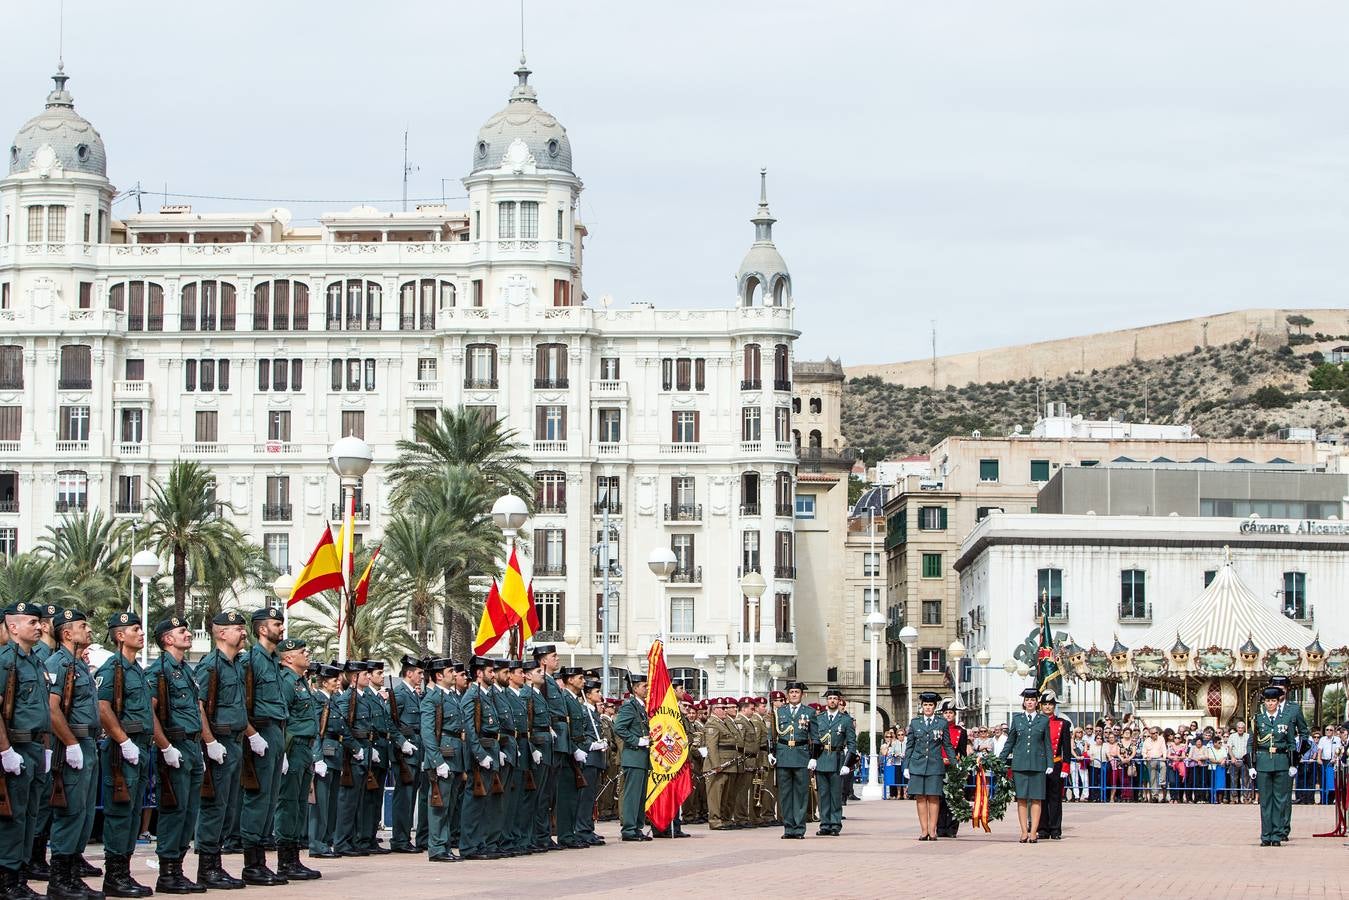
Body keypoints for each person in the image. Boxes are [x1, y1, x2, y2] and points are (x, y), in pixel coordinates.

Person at [44, 607, 104, 899]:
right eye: (83, 626)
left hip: (88, 744)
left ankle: (72, 873)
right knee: (69, 812)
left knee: (83, 812)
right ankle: (59, 879)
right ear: (67, 633)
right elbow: (52, 709)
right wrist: (70, 744)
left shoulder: (79, 665)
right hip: (73, 745)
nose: (88, 630)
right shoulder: (58, 663)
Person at [96, 610, 154, 898]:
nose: (141, 633)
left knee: (132, 813)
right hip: (123, 750)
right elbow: (103, 708)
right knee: (120, 812)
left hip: (140, 748)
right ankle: (114, 877)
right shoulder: (112, 669)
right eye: (135, 629)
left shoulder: (137, 671)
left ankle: (124, 873)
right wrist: (123, 741)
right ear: (120, 636)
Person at [146, 615, 206, 894]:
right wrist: (165, 746)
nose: (188, 634)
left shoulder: (187, 670)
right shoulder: (159, 671)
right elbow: (150, 712)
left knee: (190, 810)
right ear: (167, 638)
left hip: (192, 747)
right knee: (174, 809)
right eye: (182, 631)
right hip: (175, 746)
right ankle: (167, 872)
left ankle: (178, 868)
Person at [0, 602, 54, 898]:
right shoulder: (5, 660)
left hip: (35, 746)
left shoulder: (36, 661)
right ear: (13, 627)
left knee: (31, 816)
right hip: (15, 746)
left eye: (38, 622)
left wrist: (45, 747)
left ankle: (19, 876)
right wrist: (5, 750)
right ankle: (7, 879)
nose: (38, 626)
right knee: (13, 817)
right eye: (31, 622)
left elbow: (43, 711)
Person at [193, 610, 249, 888]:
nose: (243, 632)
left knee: (228, 808)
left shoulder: (236, 664)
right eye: (238, 628)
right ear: (221, 633)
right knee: (214, 807)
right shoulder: (210, 666)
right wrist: (210, 741)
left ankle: (216, 863)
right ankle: (208, 867)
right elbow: (199, 706)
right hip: (219, 743)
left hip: (235, 742)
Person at [273, 638, 321, 880]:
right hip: (293, 748)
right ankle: (285, 861)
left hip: (305, 748)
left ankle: (294, 858)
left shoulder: (301, 681)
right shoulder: (286, 682)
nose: (308, 654)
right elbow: (282, 719)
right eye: (303, 651)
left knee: (300, 804)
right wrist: (282, 752)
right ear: (288, 657)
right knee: (288, 804)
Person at [460, 656, 503, 860]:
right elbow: (470, 730)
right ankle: (469, 846)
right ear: (479, 673)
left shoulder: (487, 695)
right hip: (480, 756)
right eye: (490, 671)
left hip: (491, 751)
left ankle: (480, 842)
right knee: (474, 803)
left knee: (484, 803)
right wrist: (480, 755)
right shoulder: (472, 696)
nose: (493, 674)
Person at [420, 657, 462, 862]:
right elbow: (428, 733)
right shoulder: (432, 698)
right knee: (438, 804)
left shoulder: (452, 696)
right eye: (450, 671)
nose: (454, 674)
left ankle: (445, 845)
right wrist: (437, 761)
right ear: (439, 675)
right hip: (442, 757)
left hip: (454, 756)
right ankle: (436, 847)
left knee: (450, 805)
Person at [1000, 687, 1052, 844]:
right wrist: (1000, 759)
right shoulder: (1017, 719)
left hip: (1038, 764)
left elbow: (1047, 744)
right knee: (1022, 799)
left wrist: (1050, 763)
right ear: (1024, 702)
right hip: (1020, 764)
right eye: (1027, 700)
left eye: (1032, 700)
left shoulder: (1043, 720)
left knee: (1036, 799)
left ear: (1037, 703)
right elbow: (1010, 742)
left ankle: (1034, 832)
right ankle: (1023, 831)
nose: (1030, 703)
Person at [1253, 685, 1300, 846]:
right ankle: (1266, 835)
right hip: (1264, 762)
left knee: (1280, 800)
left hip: (1281, 761)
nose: (1270, 704)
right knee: (1265, 801)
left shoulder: (1286, 718)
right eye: (1268, 701)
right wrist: (1252, 764)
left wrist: (1294, 763)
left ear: (1278, 702)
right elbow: (1252, 743)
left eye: (1273, 700)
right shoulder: (1258, 719)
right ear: (1264, 702)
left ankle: (1277, 835)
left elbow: (1291, 742)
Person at [903, 691, 953, 841]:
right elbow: (909, 746)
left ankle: (932, 829)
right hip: (917, 764)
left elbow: (947, 745)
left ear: (935, 707)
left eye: (930, 705)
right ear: (921, 706)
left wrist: (955, 764)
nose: (927, 708)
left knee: (933, 797)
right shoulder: (915, 723)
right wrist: (906, 766)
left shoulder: (942, 723)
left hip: (934, 764)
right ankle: (924, 830)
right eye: (925, 705)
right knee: (920, 797)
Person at [387, 655, 424, 854]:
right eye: (418, 673)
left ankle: (404, 837)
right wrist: (401, 742)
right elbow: (390, 721)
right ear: (408, 673)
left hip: (415, 749)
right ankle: (400, 839)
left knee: (410, 796)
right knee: (404, 796)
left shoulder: (414, 694)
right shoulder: (400, 693)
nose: (421, 676)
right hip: (404, 753)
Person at [811, 689, 856, 837]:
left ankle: (835, 824)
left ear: (839, 701)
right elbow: (815, 740)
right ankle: (825, 824)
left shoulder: (845, 720)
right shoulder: (819, 718)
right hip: (822, 757)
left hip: (837, 758)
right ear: (826, 701)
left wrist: (847, 764)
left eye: (835, 699)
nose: (832, 701)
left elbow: (851, 743)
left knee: (835, 794)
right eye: (829, 698)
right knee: (823, 794)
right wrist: (813, 758)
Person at [772, 682, 814, 838]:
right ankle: (788, 827)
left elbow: (814, 736)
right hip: (783, 756)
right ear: (787, 695)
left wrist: (813, 757)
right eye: (791, 692)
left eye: (797, 692)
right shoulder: (779, 712)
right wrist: (772, 752)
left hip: (801, 755)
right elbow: (773, 735)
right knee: (785, 794)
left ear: (802, 694)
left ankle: (799, 828)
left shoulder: (809, 712)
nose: (794, 694)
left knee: (801, 794)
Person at [613, 674, 651, 842]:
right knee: (632, 795)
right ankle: (628, 829)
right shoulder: (630, 706)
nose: (647, 689)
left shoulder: (640, 706)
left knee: (640, 795)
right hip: (633, 756)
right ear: (635, 688)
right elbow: (619, 727)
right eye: (644, 686)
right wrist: (637, 741)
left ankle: (636, 827)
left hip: (641, 757)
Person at [1037, 691, 1072, 840]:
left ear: (1054, 706)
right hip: (1039, 765)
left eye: (1050, 704)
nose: (1047, 707)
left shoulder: (1063, 724)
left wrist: (1066, 766)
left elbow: (1066, 747)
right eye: (1045, 704)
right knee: (1040, 798)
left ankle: (1055, 829)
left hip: (1056, 764)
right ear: (1041, 706)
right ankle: (1043, 829)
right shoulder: (1036, 722)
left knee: (1055, 799)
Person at [934, 698, 968, 838]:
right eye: (946, 713)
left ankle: (952, 828)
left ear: (955, 715)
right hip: (939, 767)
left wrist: (962, 766)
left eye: (951, 713)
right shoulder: (937, 729)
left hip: (953, 768)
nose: (948, 715)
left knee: (953, 798)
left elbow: (962, 752)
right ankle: (940, 827)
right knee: (939, 798)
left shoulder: (961, 731)